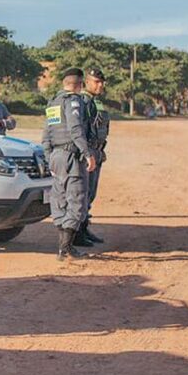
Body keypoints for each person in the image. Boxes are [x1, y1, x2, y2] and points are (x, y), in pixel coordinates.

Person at [41, 67, 98, 261]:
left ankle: (64, 246)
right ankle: (65, 248)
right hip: (72, 157)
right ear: (80, 84)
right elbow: (75, 129)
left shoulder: (53, 103)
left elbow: (46, 134)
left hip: (56, 156)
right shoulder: (74, 101)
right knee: (77, 199)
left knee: (60, 199)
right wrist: (87, 153)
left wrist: (49, 157)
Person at [81, 68, 109, 245]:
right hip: (89, 152)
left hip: (98, 151)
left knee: (90, 194)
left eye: (102, 82)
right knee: (83, 194)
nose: (100, 85)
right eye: (96, 82)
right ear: (87, 82)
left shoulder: (96, 102)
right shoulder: (83, 101)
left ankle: (84, 228)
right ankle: (78, 233)